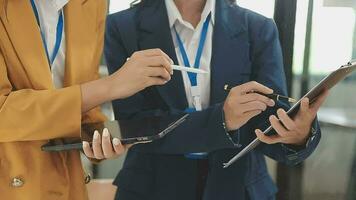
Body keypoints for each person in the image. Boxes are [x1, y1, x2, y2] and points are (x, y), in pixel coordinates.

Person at [104, 0, 329, 199]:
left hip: (239, 188)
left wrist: (298, 135)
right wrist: (221, 120)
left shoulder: (258, 28)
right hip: (151, 188)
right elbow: (132, 126)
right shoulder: (121, 27)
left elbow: (267, 123)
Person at [0, 0, 173, 199]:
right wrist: (110, 86)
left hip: (69, 185)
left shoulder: (92, 4)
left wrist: (95, 139)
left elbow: (85, 109)